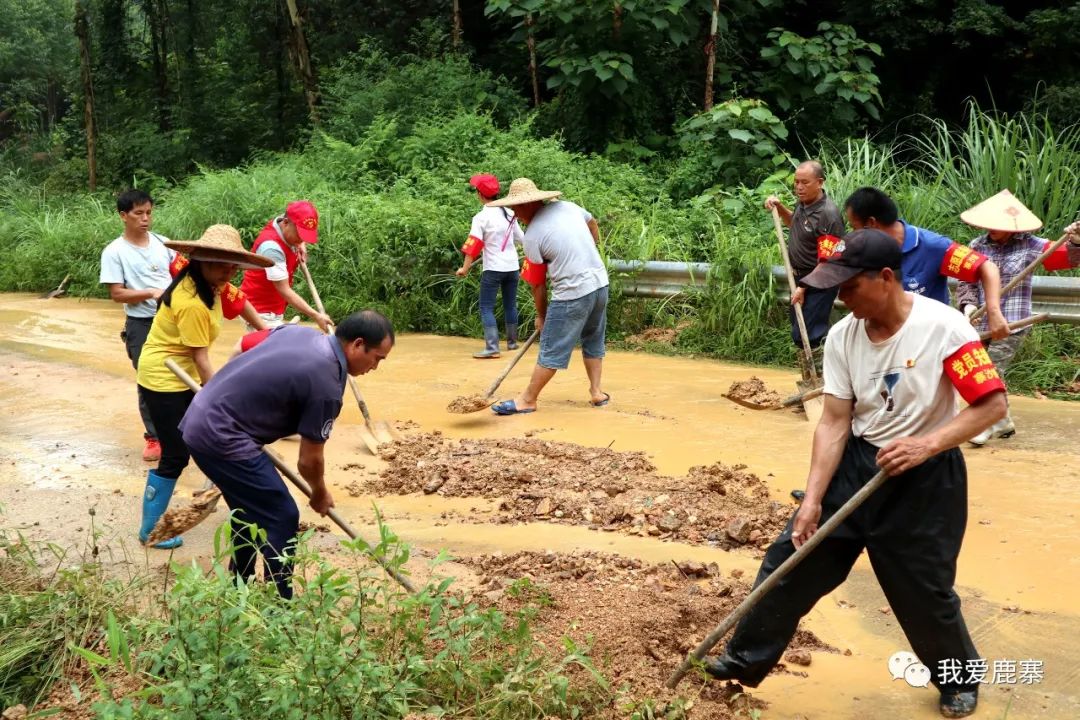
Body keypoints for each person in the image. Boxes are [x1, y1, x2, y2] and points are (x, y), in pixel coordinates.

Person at [702, 229, 1007, 719]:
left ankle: (957, 680)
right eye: (835, 290)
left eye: (849, 288)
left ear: (885, 278)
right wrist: (812, 501)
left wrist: (926, 444)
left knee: (922, 588)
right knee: (792, 558)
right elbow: (834, 421)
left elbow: (992, 405)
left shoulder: (946, 329)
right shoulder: (843, 337)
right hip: (859, 464)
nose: (841, 300)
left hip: (926, 476)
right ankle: (743, 659)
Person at [180, 311, 395, 599]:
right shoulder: (327, 384)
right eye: (378, 358)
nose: (376, 367)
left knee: (249, 511)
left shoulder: (300, 333)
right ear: (357, 345)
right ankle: (278, 602)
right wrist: (319, 492)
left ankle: (238, 587)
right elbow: (309, 460)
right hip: (222, 435)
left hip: (201, 415)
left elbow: (247, 344)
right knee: (282, 514)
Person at [135, 225, 274, 549]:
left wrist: (269, 334)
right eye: (219, 264)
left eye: (232, 265)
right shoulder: (192, 302)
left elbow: (239, 303)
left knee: (207, 440)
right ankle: (150, 530)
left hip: (184, 372)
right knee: (176, 454)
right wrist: (219, 400)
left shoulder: (211, 282)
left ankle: (215, 491)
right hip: (164, 378)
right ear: (199, 260)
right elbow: (201, 358)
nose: (227, 272)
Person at [100, 190, 264, 463]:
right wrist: (150, 292)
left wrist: (265, 330)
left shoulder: (165, 246)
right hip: (145, 321)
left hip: (178, 319)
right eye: (138, 213)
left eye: (149, 213)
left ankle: (183, 438)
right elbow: (117, 294)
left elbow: (234, 295)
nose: (145, 219)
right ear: (123, 216)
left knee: (190, 406)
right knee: (151, 385)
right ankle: (157, 436)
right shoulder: (115, 252)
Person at [955, 190, 1080, 445]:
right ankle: (1003, 422)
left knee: (990, 369)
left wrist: (1076, 242)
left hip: (1012, 322)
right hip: (980, 321)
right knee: (980, 369)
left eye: (998, 225)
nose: (992, 229)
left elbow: (1064, 259)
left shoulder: (1032, 245)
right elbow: (965, 281)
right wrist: (968, 306)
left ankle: (986, 423)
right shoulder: (977, 247)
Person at [485, 178, 608, 415]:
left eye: (515, 209)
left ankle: (528, 399)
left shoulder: (533, 236)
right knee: (593, 338)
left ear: (526, 205)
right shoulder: (570, 207)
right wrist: (591, 246)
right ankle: (596, 393)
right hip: (600, 284)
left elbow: (538, 285)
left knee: (552, 347)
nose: (515, 214)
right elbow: (592, 222)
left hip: (572, 294)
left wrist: (542, 317)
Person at [842, 187, 1009, 340]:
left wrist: (993, 312)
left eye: (855, 227)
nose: (853, 234)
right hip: (885, 340)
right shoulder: (864, 251)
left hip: (930, 342)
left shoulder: (932, 246)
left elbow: (987, 267)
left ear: (871, 223)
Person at [764, 160, 846, 370]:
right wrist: (780, 208)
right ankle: (810, 379)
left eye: (805, 183)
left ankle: (827, 377)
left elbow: (829, 261)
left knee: (809, 333)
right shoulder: (804, 203)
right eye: (796, 182)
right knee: (800, 334)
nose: (799, 187)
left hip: (820, 279)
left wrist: (803, 287)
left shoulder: (828, 214)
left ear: (819, 182)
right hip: (800, 278)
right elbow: (795, 225)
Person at [456, 173, 525, 358]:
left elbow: (474, 245)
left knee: (486, 307)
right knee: (510, 305)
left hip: (493, 269)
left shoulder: (481, 217)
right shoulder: (510, 213)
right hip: (512, 268)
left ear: (480, 194)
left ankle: (492, 348)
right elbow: (522, 239)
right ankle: (511, 343)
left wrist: (464, 268)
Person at [238, 200, 332, 332]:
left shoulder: (283, 222)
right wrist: (316, 315)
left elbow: (292, 220)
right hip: (259, 313)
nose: (301, 239)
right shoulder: (271, 248)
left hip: (273, 309)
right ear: (286, 223)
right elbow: (284, 290)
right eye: (299, 235)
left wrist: (299, 244)